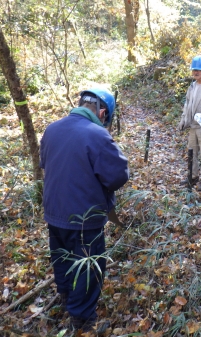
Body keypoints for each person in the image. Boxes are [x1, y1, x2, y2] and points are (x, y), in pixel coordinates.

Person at [40, 88, 129, 333]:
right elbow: (117, 176)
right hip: (84, 217)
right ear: (102, 113)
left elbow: (45, 163)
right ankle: (82, 319)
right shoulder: (97, 135)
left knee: (62, 258)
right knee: (89, 266)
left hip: (54, 213)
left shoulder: (51, 129)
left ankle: (67, 299)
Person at [178, 55, 201, 191]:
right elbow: (187, 104)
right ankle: (192, 176)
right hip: (192, 126)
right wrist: (184, 120)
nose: (195, 72)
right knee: (191, 153)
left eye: (198, 70)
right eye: (194, 70)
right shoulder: (192, 86)